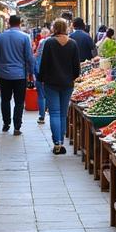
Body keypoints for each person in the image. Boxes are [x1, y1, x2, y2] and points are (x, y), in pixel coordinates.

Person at [37, 18, 80, 154]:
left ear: (54, 28)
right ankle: (61, 141)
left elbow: (43, 64)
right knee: (62, 114)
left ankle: (57, 143)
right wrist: (71, 78)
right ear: (66, 28)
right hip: (67, 83)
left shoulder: (49, 43)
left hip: (51, 83)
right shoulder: (73, 44)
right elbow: (76, 68)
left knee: (54, 113)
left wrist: (42, 79)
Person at [0, 14, 34, 134]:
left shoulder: (0, 37)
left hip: (4, 74)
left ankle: (6, 123)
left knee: (5, 99)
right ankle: (17, 126)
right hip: (20, 74)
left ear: (9, 23)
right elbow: (29, 57)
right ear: (20, 23)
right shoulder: (25, 37)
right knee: (19, 101)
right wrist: (31, 73)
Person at [34, 26, 51, 124]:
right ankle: (49, 111)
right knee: (49, 93)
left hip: (40, 70)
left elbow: (37, 56)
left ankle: (41, 116)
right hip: (50, 72)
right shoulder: (52, 42)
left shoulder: (41, 42)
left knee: (41, 95)